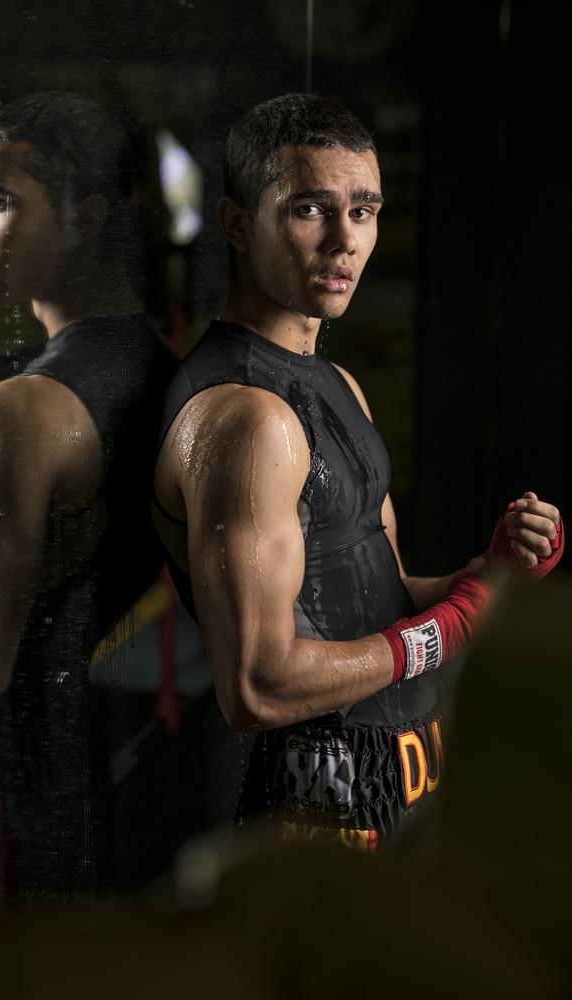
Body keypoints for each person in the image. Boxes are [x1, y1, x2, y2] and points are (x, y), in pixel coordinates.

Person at [153, 93, 563, 848]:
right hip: (321, 794)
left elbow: (382, 602)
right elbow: (258, 684)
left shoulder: (336, 385)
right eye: (311, 209)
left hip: (406, 773)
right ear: (238, 223)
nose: (345, 240)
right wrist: (446, 630)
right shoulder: (246, 420)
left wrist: (487, 575)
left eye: (364, 210)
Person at [0, 92, 176, 925]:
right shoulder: (151, 363)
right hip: (67, 788)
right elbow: (60, 560)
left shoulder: (22, 409)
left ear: (87, 213)